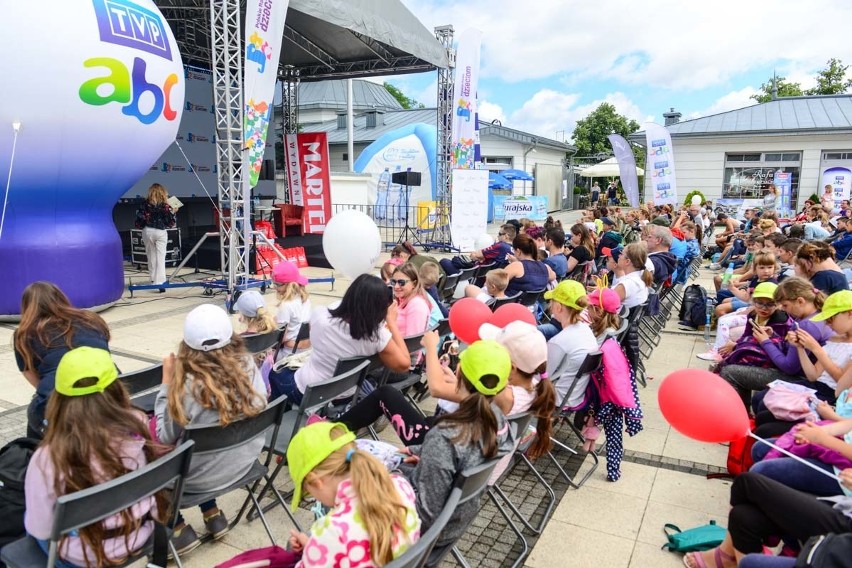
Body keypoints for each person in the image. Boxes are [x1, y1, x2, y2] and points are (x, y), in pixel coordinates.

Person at [25, 347, 166, 568]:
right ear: (117, 390)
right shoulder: (138, 428)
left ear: (58, 399)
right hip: (139, 534)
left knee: (30, 528)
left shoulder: (47, 458)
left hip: (82, 554)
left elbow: (40, 528)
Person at [153, 304, 268, 554]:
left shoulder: (185, 385)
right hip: (243, 464)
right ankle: (212, 513)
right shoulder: (247, 364)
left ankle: (178, 529)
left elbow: (165, 436)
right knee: (201, 447)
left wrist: (166, 385)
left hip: (196, 479)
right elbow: (263, 402)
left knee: (148, 457)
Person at [285, 422, 421, 567]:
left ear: (316, 482)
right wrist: (316, 548)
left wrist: (315, 547)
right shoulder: (400, 485)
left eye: (307, 491)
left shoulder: (332, 531)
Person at [268, 274, 409, 405]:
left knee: (275, 373)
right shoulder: (377, 335)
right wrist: (391, 322)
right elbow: (404, 365)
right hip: (346, 394)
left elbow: (315, 338)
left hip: (310, 391)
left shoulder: (321, 315)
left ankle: (275, 417)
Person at [683, 471, 852, 568]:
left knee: (747, 481)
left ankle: (726, 556)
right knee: (743, 517)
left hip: (846, 530)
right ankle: (728, 558)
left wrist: (821, 436)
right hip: (842, 504)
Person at [13, 281, 111, 439]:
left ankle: (35, 455)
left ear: (26, 306)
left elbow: (32, 377)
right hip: (107, 395)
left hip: (59, 405)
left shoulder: (24, 334)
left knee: (37, 405)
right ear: (61, 298)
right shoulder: (91, 319)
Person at [718, 278, 832, 408]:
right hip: (811, 377)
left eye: (785, 305)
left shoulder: (806, 325)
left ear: (800, 301)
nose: (784, 310)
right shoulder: (817, 315)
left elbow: (789, 367)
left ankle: (739, 416)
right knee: (744, 362)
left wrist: (766, 342)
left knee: (730, 372)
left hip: (804, 380)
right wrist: (774, 337)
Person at [545, 280, 598, 408]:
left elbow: (543, 376)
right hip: (576, 394)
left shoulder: (559, 342)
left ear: (558, 307)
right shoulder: (585, 329)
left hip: (558, 399)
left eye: (551, 302)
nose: (550, 306)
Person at [134, 183, 176, 292]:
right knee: (160, 257)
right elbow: (170, 223)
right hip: (161, 231)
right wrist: (173, 212)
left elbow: (139, 220)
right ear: (163, 192)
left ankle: (153, 280)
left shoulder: (144, 203)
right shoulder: (166, 205)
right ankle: (161, 282)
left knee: (151, 255)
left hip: (148, 231)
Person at [439, 224, 516, 275]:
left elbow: (474, 255)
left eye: (499, 234)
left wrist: (479, 256)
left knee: (444, 262)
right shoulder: (514, 249)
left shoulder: (500, 246)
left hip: (474, 275)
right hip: (485, 274)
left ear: (506, 236)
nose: (498, 236)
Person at [273, 261, 312, 352]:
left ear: (290, 285)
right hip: (307, 349)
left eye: (278, 284)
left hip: (289, 352)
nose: (274, 287)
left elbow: (281, 337)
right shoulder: (306, 300)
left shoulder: (285, 305)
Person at [602, 243, 652, 309]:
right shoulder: (639, 278)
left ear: (627, 261)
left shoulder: (626, 284)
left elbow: (604, 304)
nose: (619, 256)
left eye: (621, 254)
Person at [390, 262, 432, 337]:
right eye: (393, 282)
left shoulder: (416, 305)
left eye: (401, 282)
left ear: (414, 284)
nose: (396, 286)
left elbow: (412, 343)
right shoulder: (400, 300)